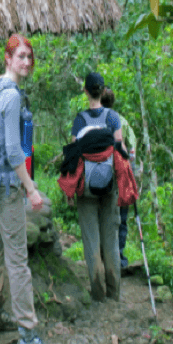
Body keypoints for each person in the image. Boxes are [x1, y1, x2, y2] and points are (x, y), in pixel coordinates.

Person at [0, 33, 45, 344]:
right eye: (20, 56)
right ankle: (27, 332)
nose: (26, 62)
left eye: (28, 56)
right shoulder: (11, 96)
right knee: (18, 260)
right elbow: (11, 150)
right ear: (7, 59)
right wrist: (30, 187)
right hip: (7, 187)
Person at [58, 72, 137, 303]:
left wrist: (69, 191)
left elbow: (72, 156)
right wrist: (128, 185)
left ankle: (98, 293)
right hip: (110, 186)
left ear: (85, 91)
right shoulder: (113, 118)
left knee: (91, 239)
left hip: (85, 188)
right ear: (103, 92)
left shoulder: (79, 120)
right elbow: (121, 153)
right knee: (111, 239)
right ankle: (114, 292)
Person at [100, 87, 138, 270]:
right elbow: (132, 151)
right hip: (120, 176)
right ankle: (119, 258)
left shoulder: (91, 119)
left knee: (102, 218)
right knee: (121, 219)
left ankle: (103, 257)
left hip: (99, 178)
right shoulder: (121, 121)